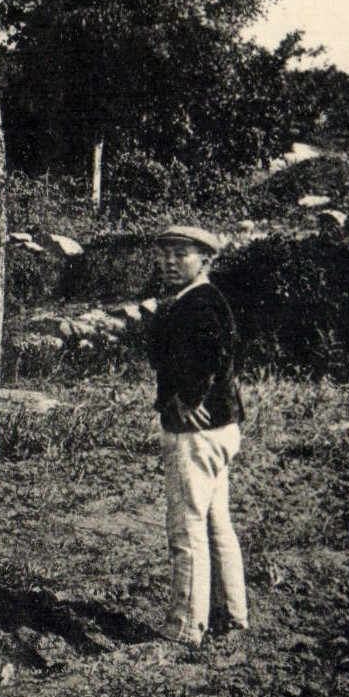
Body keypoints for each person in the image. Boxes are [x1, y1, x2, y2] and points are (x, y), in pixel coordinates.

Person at [144, 224, 248, 649]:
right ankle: (232, 612)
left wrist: (187, 397)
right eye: (165, 253)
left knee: (186, 529)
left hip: (196, 434)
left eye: (181, 254)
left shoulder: (199, 303)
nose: (169, 262)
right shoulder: (197, 300)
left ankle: (186, 626)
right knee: (215, 522)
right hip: (221, 428)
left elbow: (214, 352)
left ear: (205, 260)